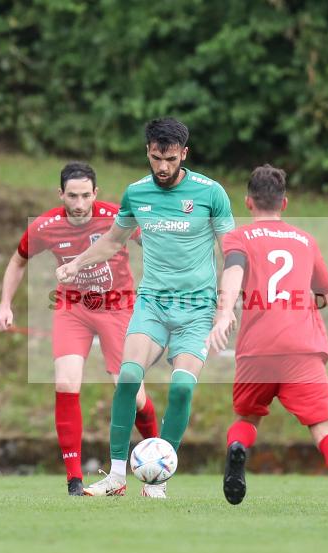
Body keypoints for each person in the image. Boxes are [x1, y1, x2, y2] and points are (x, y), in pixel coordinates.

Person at [57, 118, 235, 498]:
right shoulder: (136, 193)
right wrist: (77, 263)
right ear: (148, 153)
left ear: (184, 154)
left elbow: (232, 254)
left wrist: (226, 309)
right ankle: (117, 476)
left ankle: (159, 479)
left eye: (170, 159)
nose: (163, 167)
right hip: (152, 304)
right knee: (127, 378)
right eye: (156, 158)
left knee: (182, 389)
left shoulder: (211, 193)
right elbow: (112, 240)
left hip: (197, 310)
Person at [207, 164, 328, 517]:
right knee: (324, 428)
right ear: (285, 202)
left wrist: (225, 312)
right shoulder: (306, 240)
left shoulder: (238, 238)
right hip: (302, 347)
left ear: (248, 202)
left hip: (258, 348)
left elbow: (233, 272)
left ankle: (237, 448)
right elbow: (325, 293)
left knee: (247, 418)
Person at [0, 162, 158, 496]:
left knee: (133, 393)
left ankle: (157, 467)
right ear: (61, 195)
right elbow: (17, 261)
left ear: (95, 193)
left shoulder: (117, 216)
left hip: (118, 306)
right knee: (65, 381)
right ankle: (74, 479)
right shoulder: (46, 225)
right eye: (73, 196)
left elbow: (155, 247)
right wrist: (4, 305)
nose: (80, 203)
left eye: (86, 195)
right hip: (72, 309)